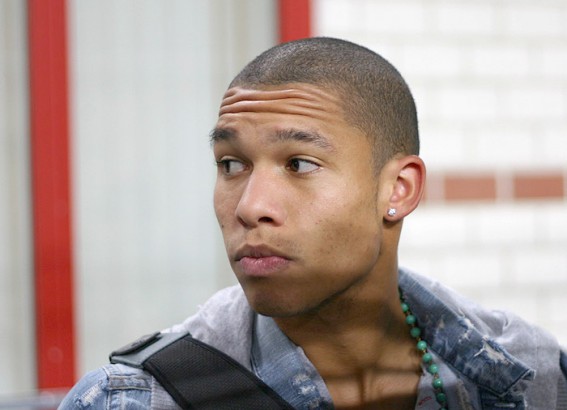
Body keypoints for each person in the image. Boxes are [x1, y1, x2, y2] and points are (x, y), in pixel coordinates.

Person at [59, 37, 567, 409]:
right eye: (231, 164)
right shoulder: (134, 400)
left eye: (299, 164)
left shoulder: (532, 373)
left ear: (398, 189)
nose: (250, 206)